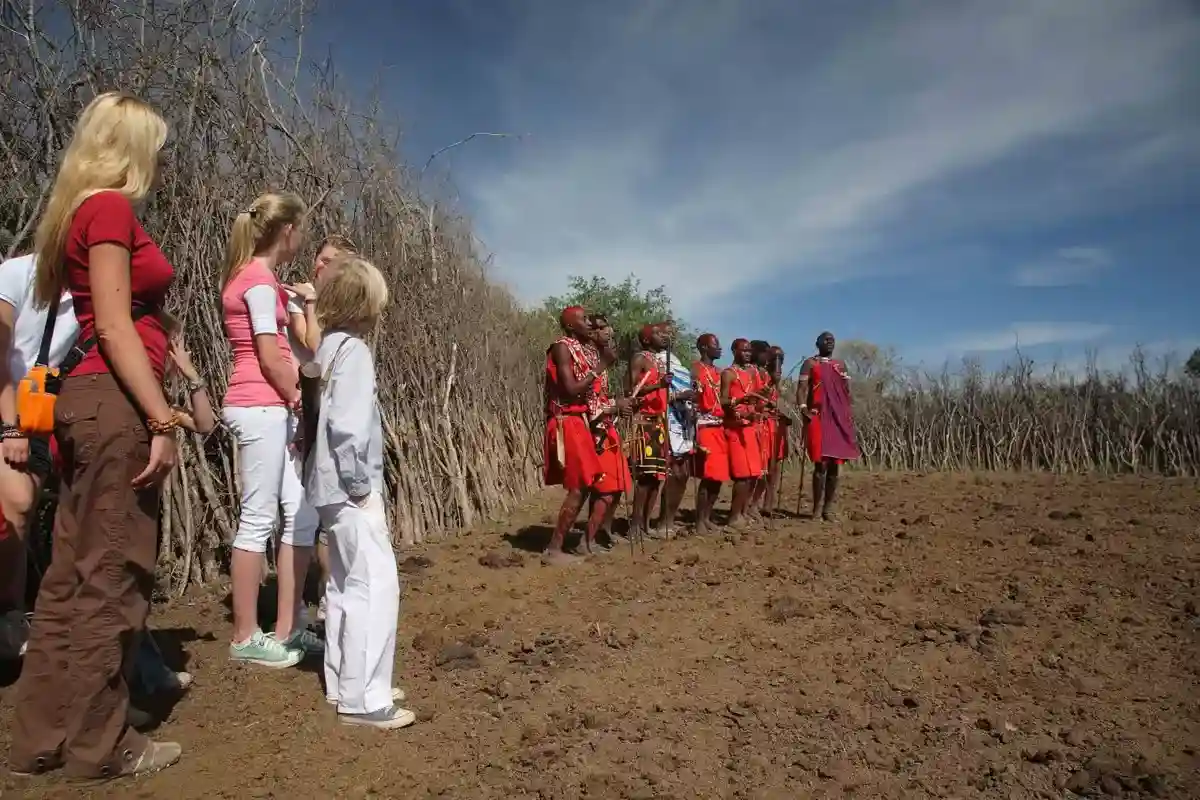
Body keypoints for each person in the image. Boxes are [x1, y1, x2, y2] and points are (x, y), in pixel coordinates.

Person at [11, 91, 183, 779]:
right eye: (156, 147)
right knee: (114, 570)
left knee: (68, 577)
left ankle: (40, 742)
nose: (160, 162)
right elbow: (113, 325)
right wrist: (160, 418)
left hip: (83, 402)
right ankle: (101, 746)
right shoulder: (110, 207)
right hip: (114, 402)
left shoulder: (74, 215)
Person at [305, 253, 414, 730]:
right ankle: (364, 698)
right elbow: (349, 428)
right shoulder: (355, 351)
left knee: (345, 585)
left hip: (325, 487)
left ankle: (343, 682)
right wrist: (361, 487)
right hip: (349, 489)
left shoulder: (325, 348)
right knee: (376, 585)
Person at [221, 191, 321, 668]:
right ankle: (245, 635)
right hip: (259, 404)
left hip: (269, 406)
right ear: (288, 231)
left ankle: (288, 627)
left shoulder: (263, 281)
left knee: (298, 512)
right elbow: (268, 354)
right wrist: (299, 397)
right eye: (301, 229)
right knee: (258, 518)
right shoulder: (258, 282)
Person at [0, 252, 75, 661]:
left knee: (22, 517)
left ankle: (11, 617)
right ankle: (10, 613)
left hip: (41, 414)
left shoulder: (88, 287)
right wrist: (9, 425)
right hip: (7, 404)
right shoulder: (15, 275)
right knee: (17, 505)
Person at [282, 234, 356, 623]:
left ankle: (332, 592)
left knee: (337, 511)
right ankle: (312, 601)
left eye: (332, 261)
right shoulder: (300, 299)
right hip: (305, 415)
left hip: (336, 410)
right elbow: (313, 345)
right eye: (320, 258)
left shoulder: (345, 307)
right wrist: (310, 301)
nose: (322, 266)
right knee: (316, 511)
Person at [542, 306, 611, 564]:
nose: (590, 324)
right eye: (583, 320)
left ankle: (559, 545)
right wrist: (602, 365)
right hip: (566, 421)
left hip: (579, 420)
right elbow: (570, 389)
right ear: (570, 326)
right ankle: (554, 549)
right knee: (579, 484)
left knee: (586, 483)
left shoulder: (583, 350)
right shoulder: (561, 347)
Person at [580, 314, 632, 554]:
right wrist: (614, 406)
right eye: (602, 328)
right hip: (594, 434)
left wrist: (620, 403)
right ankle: (586, 542)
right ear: (591, 333)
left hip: (606, 430)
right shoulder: (585, 361)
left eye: (609, 327)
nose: (609, 332)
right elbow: (583, 403)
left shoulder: (600, 361)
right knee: (605, 490)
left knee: (616, 487)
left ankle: (601, 533)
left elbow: (600, 399)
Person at [796, 331, 861, 521]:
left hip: (838, 418)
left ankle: (828, 509)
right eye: (825, 340)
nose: (829, 342)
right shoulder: (810, 363)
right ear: (817, 343)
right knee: (821, 463)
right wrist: (803, 409)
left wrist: (847, 414)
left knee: (835, 464)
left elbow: (845, 391)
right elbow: (801, 389)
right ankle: (816, 509)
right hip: (818, 416)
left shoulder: (839, 365)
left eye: (832, 340)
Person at [628, 323, 671, 540]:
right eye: (658, 333)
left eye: (665, 334)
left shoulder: (659, 361)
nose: (664, 336)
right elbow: (632, 390)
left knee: (657, 477)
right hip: (644, 422)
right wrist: (658, 385)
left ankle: (645, 524)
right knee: (645, 477)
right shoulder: (640, 358)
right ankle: (635, 526)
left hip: (660, 422)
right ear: (646, 339)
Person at [720, 338, 763, 529]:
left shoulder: (751, 374)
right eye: (743, 350)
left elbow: (755, 399)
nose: (747, 353)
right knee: (741, 475)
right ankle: (734, 516)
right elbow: (722, 401)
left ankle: (744, 513)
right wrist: (739, 402)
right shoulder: (728, 374)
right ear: (734, 351)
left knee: (753, 474)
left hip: (750, 428)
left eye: (749, 351)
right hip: (735, 428)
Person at [691, 334, 728, 535]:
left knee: (718, 477)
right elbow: (693, 397)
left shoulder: (720, 372)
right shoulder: (696, 369)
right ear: (705, 348)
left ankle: (707, 517)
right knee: (708, 475)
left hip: (719, 426)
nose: (720, 349)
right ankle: (699, 521)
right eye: (716, 345)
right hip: (704, 426)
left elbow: (722, 399)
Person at [746, 340, 773, 521]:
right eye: (764, 352)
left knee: (764, 471)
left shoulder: (762, 373)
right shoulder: (749, 372)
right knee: (751, 471)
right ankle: (745, 506)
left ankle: (753, 505)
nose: (767, 356)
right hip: (750, 423)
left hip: (762, 424)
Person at [763, 344, 791, 514]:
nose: (778, 363)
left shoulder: (780, 382)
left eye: (781, 359)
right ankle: (754, 504)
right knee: (764, 465)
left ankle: (769, 502)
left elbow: (782, 402)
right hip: (765, 424)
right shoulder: (761, 377)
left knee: (775, 467)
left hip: (777, 424)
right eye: (775, 358)